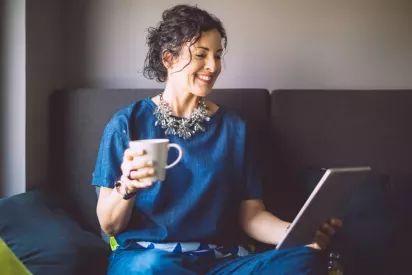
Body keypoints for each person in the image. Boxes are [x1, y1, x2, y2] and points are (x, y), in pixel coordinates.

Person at [92, 4, 342, 274]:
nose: (213, 66)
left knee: (302, 259)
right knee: (149, 269)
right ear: (168, 58)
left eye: (218, 55)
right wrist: (126, 187)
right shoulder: (126, 124)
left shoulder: (235, 128)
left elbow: (252, 216)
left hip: (220, 263)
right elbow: (109, 225)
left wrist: (298, 234)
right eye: (201, 54)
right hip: (148, 258)